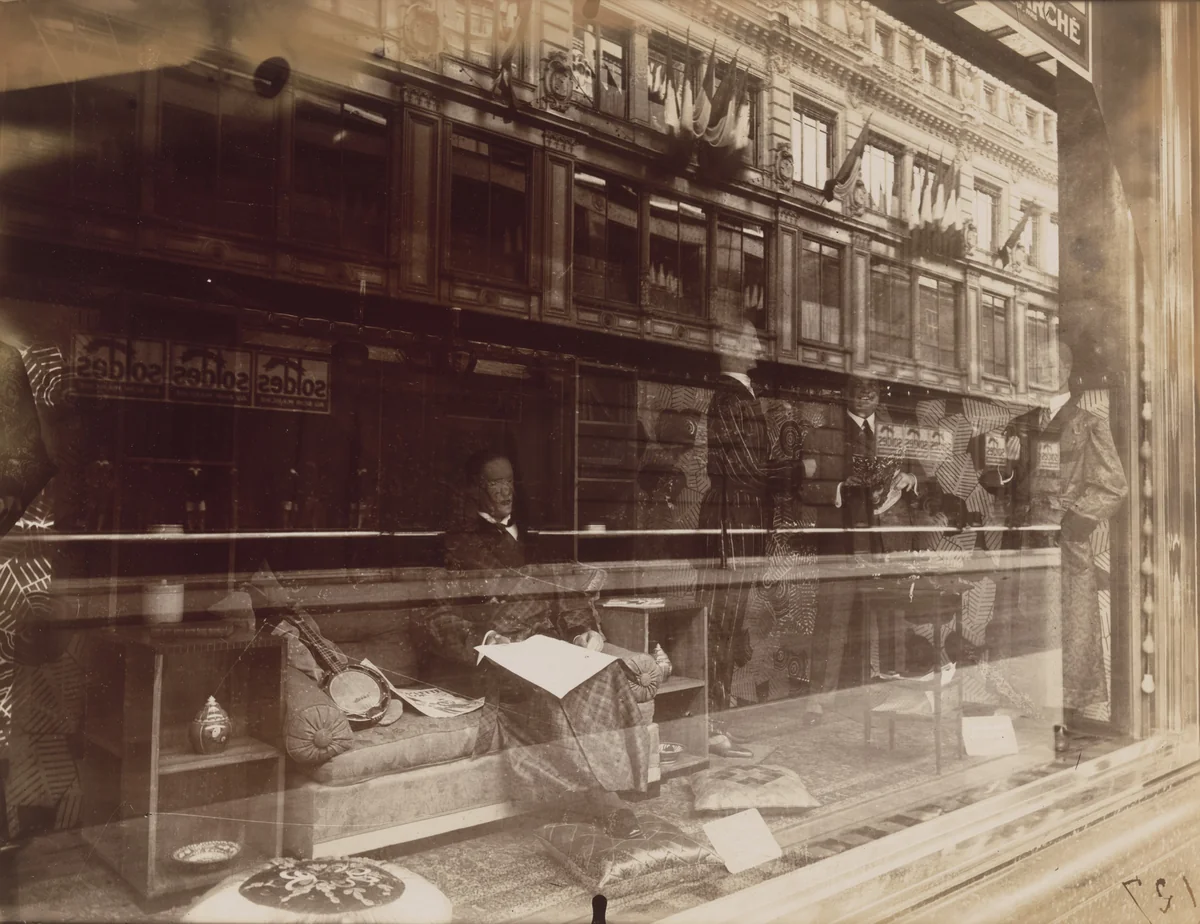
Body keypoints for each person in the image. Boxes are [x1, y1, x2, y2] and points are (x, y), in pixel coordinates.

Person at [428, 450, 650, 838]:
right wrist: (483, 639)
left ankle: (618, 785)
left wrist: (585, 631)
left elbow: (564, 595)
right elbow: (434, 614)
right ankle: (598, 801)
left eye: (509, 482)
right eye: (495, 484)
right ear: (475, 489)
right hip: (495, 658)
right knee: (552, 694)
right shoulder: (454, 542)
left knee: (605, 675)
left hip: (547, 649)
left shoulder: (536, 537)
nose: (504, 492)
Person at [985, 340, 1127, 750]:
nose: (1045, 370)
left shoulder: (1088, 422)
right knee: (1023, 628)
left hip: (1065, 544)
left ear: (1067, 369)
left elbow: (1114, 485)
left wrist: (1073, 525)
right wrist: (1002, 468)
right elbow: (1001, 485)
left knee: (1066, 629)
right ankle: (1029, 713)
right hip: (1025, 542)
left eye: (1052, 363)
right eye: (1038, 364)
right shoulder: (1021, 422)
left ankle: (1064, 718)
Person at [698, 320, 814, 712]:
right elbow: (746, 470)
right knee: (721, 614)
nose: (759, 348)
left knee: (729, 614)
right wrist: (797, 471)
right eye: (750, 340)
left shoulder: (741, 397)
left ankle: (718, 700)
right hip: (732, 517)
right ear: (729, 345)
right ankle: (712, 707)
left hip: (742, 516)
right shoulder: (730, 400)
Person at [801, 375, 920, 725]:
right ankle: (819, 701)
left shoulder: (895, 433)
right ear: (844, 391)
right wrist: (839, 487)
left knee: (890, 618)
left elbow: (919, 477)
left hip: (887, 544)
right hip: (843, 541)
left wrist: (910, 480)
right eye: (857, 385)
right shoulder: (822, 435)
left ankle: (889, 693)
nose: (866, 393)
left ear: (880, 392)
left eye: (873, 387)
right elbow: (804, 488)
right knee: (833, 619)